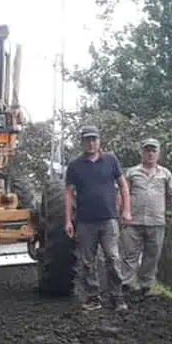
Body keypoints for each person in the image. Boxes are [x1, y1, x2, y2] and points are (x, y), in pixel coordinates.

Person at [64, 124, 132, 312]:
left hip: (109, 219)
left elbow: (123, 185)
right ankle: (93, 297)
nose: (91, 143)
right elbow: (69, 193)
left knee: (113, 257)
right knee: (87, 261)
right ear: (82, 142)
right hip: (85, 221)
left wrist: (126, 210)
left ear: (99, 141)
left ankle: (117, 296)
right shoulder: (75, 166)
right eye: (87, 140)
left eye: (94, 139)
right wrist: (68, 220)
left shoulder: (111, 160)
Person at [121, 137, 172, 298]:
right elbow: (123, 193)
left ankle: (145, 284)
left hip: (156, 221)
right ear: (142, 152)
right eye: (147, 150)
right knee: (130, 254)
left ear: (158, 153)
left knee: (152, 254)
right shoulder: (132, 172)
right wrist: (121, 211)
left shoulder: (165, 174)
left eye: (153, 150)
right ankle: (128, 284)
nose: (150, 153)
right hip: (133, 220)